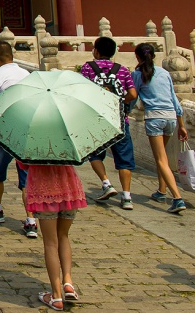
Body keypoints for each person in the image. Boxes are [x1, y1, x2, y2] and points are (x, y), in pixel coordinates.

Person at [0, 41, 36, 237]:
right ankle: (31, 220)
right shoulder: (27, 75)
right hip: (26, 131)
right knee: (26, 177)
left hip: (5, 132)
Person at [80, 37, 137, 210]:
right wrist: (121, 103)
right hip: (119, 119)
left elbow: (82, 90)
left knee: (95, 154)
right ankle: (127, 196)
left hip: (97, 119)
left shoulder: (88, 68)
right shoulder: (123, 70)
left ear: (96, 51)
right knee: (124, 158)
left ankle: (106, 183)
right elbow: (133, 94)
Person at [132, 42, 188, 213]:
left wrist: (124, 110)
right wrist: (182, 125)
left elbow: (133, 97)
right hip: (171, 117)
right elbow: (173, 98)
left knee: (161, 159)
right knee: (162, 156)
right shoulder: (164, 73)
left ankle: (177, 199)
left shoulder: (137, 74)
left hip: (154, 118)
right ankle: (161, 191)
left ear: (138, 57)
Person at [27, 163, 87, 310]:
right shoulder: (66, 141)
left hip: (44, 189)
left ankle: (56, 295)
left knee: (50, 243)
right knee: (64, 236)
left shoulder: (34, 143)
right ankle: (68, 283)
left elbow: (23, 164)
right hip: (69, 187)